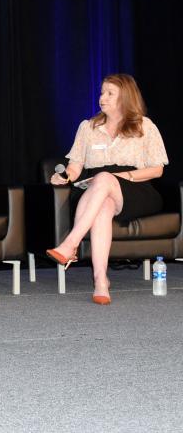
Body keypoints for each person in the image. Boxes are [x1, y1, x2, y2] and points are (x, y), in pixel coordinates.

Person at [47, 74, 168, 305]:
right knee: (102, 205)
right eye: (102, 92)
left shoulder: (144, 125)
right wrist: (65, 177)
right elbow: (75, 165)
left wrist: (121, 176)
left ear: (125, 97)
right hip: (95, 189)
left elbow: (157, 170)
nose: (102, 98)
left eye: (110, 93)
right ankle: (101, 280)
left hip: (136, 188)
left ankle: (70, 243)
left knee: (103, 178)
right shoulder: (88, 127)